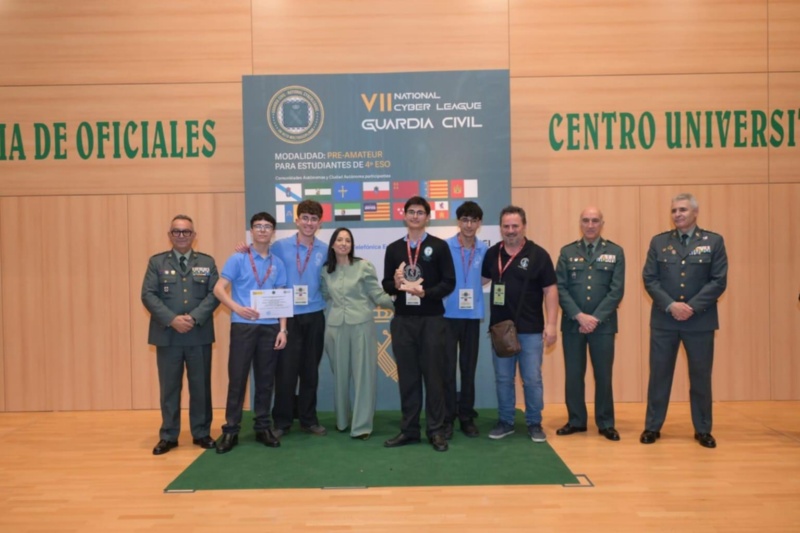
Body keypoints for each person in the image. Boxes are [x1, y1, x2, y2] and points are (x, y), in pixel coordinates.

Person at [641, 193, 727, 449]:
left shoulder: (713, 241)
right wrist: (671, 305)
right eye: (674, 211)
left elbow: (718, 281)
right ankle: (652, 427)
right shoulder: (659, 242)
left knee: (700, 377)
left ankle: (703, 429)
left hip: (699, 321)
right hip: (665, 320)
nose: (677, 214)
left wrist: (691, 307)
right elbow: (650, 279)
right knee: (659, 375)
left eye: (683, 210)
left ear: (695, 213)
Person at [382, 196, 456, 452]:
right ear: (404, 216)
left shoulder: (439, 246)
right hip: (403, 321)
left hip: (432, 320)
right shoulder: (393, 249)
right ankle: (409, 430)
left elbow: (449, 282)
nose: (415, 216)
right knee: (408, 378)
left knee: (434, 377)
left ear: (427, 217)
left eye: (420, 212)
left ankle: (436, 431)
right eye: (411, 212)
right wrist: (395, 283)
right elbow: (386, 284)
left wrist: (427, 293)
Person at [142, 214, 220, 455]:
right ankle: (168, 435)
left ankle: (201, 432)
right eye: (177, 231)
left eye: (186, 231)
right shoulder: (157, 262)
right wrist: (172, 319)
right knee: (169, 388)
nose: (182, 235)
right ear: (169, 235)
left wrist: (194, 318)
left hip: (198, 334)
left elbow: (215, 294)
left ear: (194, 235)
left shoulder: (207, 262)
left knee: (201, 387)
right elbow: (148, 295)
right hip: (168, 336)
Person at [481, 205, 558, 443]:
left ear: (524, 226)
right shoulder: (492, 254)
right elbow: (479, 279)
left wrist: (551, 324)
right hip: (501, 330)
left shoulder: (538, 255)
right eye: (506, 226)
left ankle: (534, 423)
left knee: (532, 379)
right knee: (503, 379)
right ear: (500, 228)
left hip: (531, 330)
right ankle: (506, 421)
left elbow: (550, 290)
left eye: (515, 226)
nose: (511, 230)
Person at [213, 212, 288, 454]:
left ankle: (262, 427)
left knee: (265, 381)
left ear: (273, 232)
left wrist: (283, 329)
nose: (263, 230)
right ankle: (231, 430)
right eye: (258, 226)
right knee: (237, 379)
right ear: (251, 231)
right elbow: (218, 289)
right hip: (243, 326)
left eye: (267, 226)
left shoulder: (278, 263)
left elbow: (282, 298)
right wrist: (236, 308)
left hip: (270, 327)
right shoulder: (238, 258)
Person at [555, 207, 625, 441]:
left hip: (603, 325)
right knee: (574, 374)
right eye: (586, 220)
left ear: (602, 224)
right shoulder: (567, 252)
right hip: (573, 324)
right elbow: (560, 288)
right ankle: (576, 420)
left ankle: (606, 423)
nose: (590, 225)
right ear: (580, 223)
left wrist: (595, 318)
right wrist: (579, 315)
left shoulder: (615, 252)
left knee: (603, 375)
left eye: (595, 221)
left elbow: (616, 291)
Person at [320, 227, 394, 440]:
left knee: (364, 377)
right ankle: (342, 421)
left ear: (352, 245)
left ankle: (361, 426)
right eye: (339, 240)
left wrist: (402, 304)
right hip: (335, 328)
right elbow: (324, 294)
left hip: (362, 326)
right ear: (333, 244)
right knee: (340, 376)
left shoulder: (363, 267)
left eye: (348, 240)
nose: (344, 243)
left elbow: (377, 295)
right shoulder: (325, 271)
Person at [270, 200, 329, 437]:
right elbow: (261, 259)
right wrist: (245, 250)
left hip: (315, 315)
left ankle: (308, 419)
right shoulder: (280, 247)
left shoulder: (325, 249)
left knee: (310, 371)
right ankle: (282, 422)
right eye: (305, 218)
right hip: (287, 317)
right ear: (297, 220)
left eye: (314, 219)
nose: (309, 223)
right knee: (285, 372)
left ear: (319, 223)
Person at [442, 201, 489, 438]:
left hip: (472, 316)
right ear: (458, 222)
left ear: (479, 223)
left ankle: (466, 416)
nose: (469, 225)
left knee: (469, 368)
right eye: (465, 220)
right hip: (448, 315)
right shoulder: (445, 246)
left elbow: (487, 277)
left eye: (473, 220)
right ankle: (448, 416)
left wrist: (471, 287)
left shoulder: (484, 249)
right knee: (448, 368)